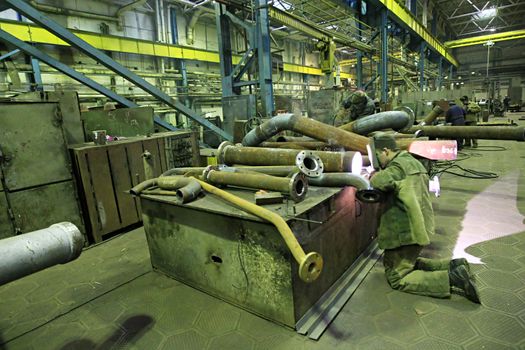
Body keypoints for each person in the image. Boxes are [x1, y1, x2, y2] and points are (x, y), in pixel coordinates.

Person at [370, 134, 480, 303]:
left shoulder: (398, 166)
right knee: (409, 262)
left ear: (385, 150)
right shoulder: (413, 161)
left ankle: (451, 278)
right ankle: (454, 266)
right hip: (419, 227)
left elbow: (381, 181)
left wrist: (372, 175)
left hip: (405, 233)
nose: (378, 161)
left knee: (397, 277)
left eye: (377, 156)